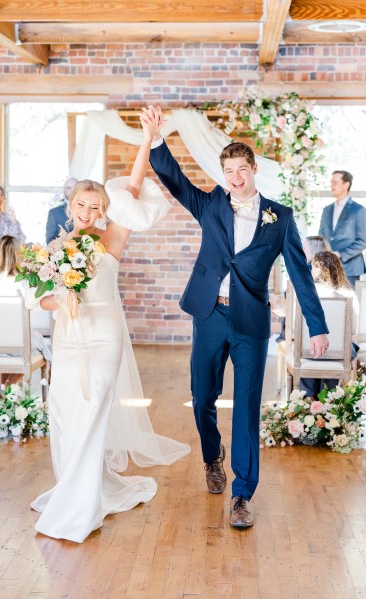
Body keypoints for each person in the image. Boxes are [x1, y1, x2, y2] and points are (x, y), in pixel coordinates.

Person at [146, 105, 329, 529]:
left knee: (247, 408)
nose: (236, 177)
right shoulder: (210, 205)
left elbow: (301, 276)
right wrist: (156, 139)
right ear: (224, 172)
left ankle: (243, 493)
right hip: (209, 314)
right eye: (229, 170)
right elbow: (175, 181)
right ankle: (213, 457)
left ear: (254, 169)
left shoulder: (279, 218)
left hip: (251, 323)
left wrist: (317, 327)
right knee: (202, 397)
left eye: (242, 169)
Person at [30, 116, 190, 543]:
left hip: (104, 339)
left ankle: (80, 508)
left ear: (103, 209)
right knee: (65, 415)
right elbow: (41, 299)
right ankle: (76, 487)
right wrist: (60, 298)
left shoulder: (112, 238)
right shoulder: (55, 249)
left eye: (94, 206)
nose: (87, 212)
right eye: (80, 205)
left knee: (91, 413)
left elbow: (134, 185)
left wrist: (147, 139)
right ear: (71, 207)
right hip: (69, 341)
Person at [0, 235, 51, 385]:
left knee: (19, 342)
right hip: (18, 345)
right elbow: (38, 309)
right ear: (18, 256)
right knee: (42, 347)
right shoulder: (24, 282)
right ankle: (9, 389)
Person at [300, 250, 359, 398]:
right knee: (347, 349)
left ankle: (307, 400)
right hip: (340, 354)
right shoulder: (349, 294)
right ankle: (328, 400)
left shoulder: (305, 295)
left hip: (309, 351)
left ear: (317, 270)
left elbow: (296, 330)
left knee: (305, 349)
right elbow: (354, 330)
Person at [319, 170, 366, 287]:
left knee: (349, 305)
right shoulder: (326, 210)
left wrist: (340, 254)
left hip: (350, 269)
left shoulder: (359, 210)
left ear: (346, 185)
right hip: (328, 268)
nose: (332, 185)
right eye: (331, 182)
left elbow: (363, 241)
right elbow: (321, 237)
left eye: (335, 182)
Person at [45, 177, 78, 243]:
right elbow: (49, 241)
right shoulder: (54, 213)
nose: (72, 190)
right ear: (64, 191)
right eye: (69, 188)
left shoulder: (89, 211)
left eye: (75, 187)